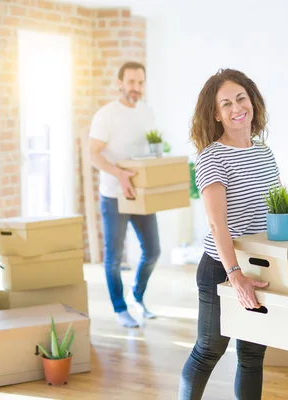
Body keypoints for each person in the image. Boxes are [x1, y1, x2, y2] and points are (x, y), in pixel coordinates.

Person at [178, 68, 288, 400]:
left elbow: (280, 207)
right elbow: (218, 224)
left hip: (259, 265)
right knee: (208, 351)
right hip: (222, 268)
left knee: (252, 357)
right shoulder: (211, 158)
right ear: (216, 115)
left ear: (252, 101)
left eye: (241, 98)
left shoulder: (263, 152)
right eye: (226, 104)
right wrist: (235, 276)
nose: (236, 108)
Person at [88, 61, 161, 328]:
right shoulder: (106, 115)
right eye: (131, 82)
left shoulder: (147, 112)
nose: (136, 88)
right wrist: (118, 173)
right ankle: (120, 308)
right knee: (114, 257)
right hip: (113, 195)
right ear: (119, 83)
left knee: (153, 251)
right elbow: (93, 153)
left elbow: (146, 150)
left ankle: (136, 297)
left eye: (140, 82)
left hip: (140, 195)